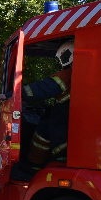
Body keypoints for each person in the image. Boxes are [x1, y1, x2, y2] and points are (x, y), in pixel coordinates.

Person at [13, 40, 73, 180]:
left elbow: (41, 89)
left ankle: (32, 168)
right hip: (74, 127)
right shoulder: (87, 73)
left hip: (64, 130)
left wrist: (15, 94)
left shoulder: (67, 74)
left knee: (43, 129)